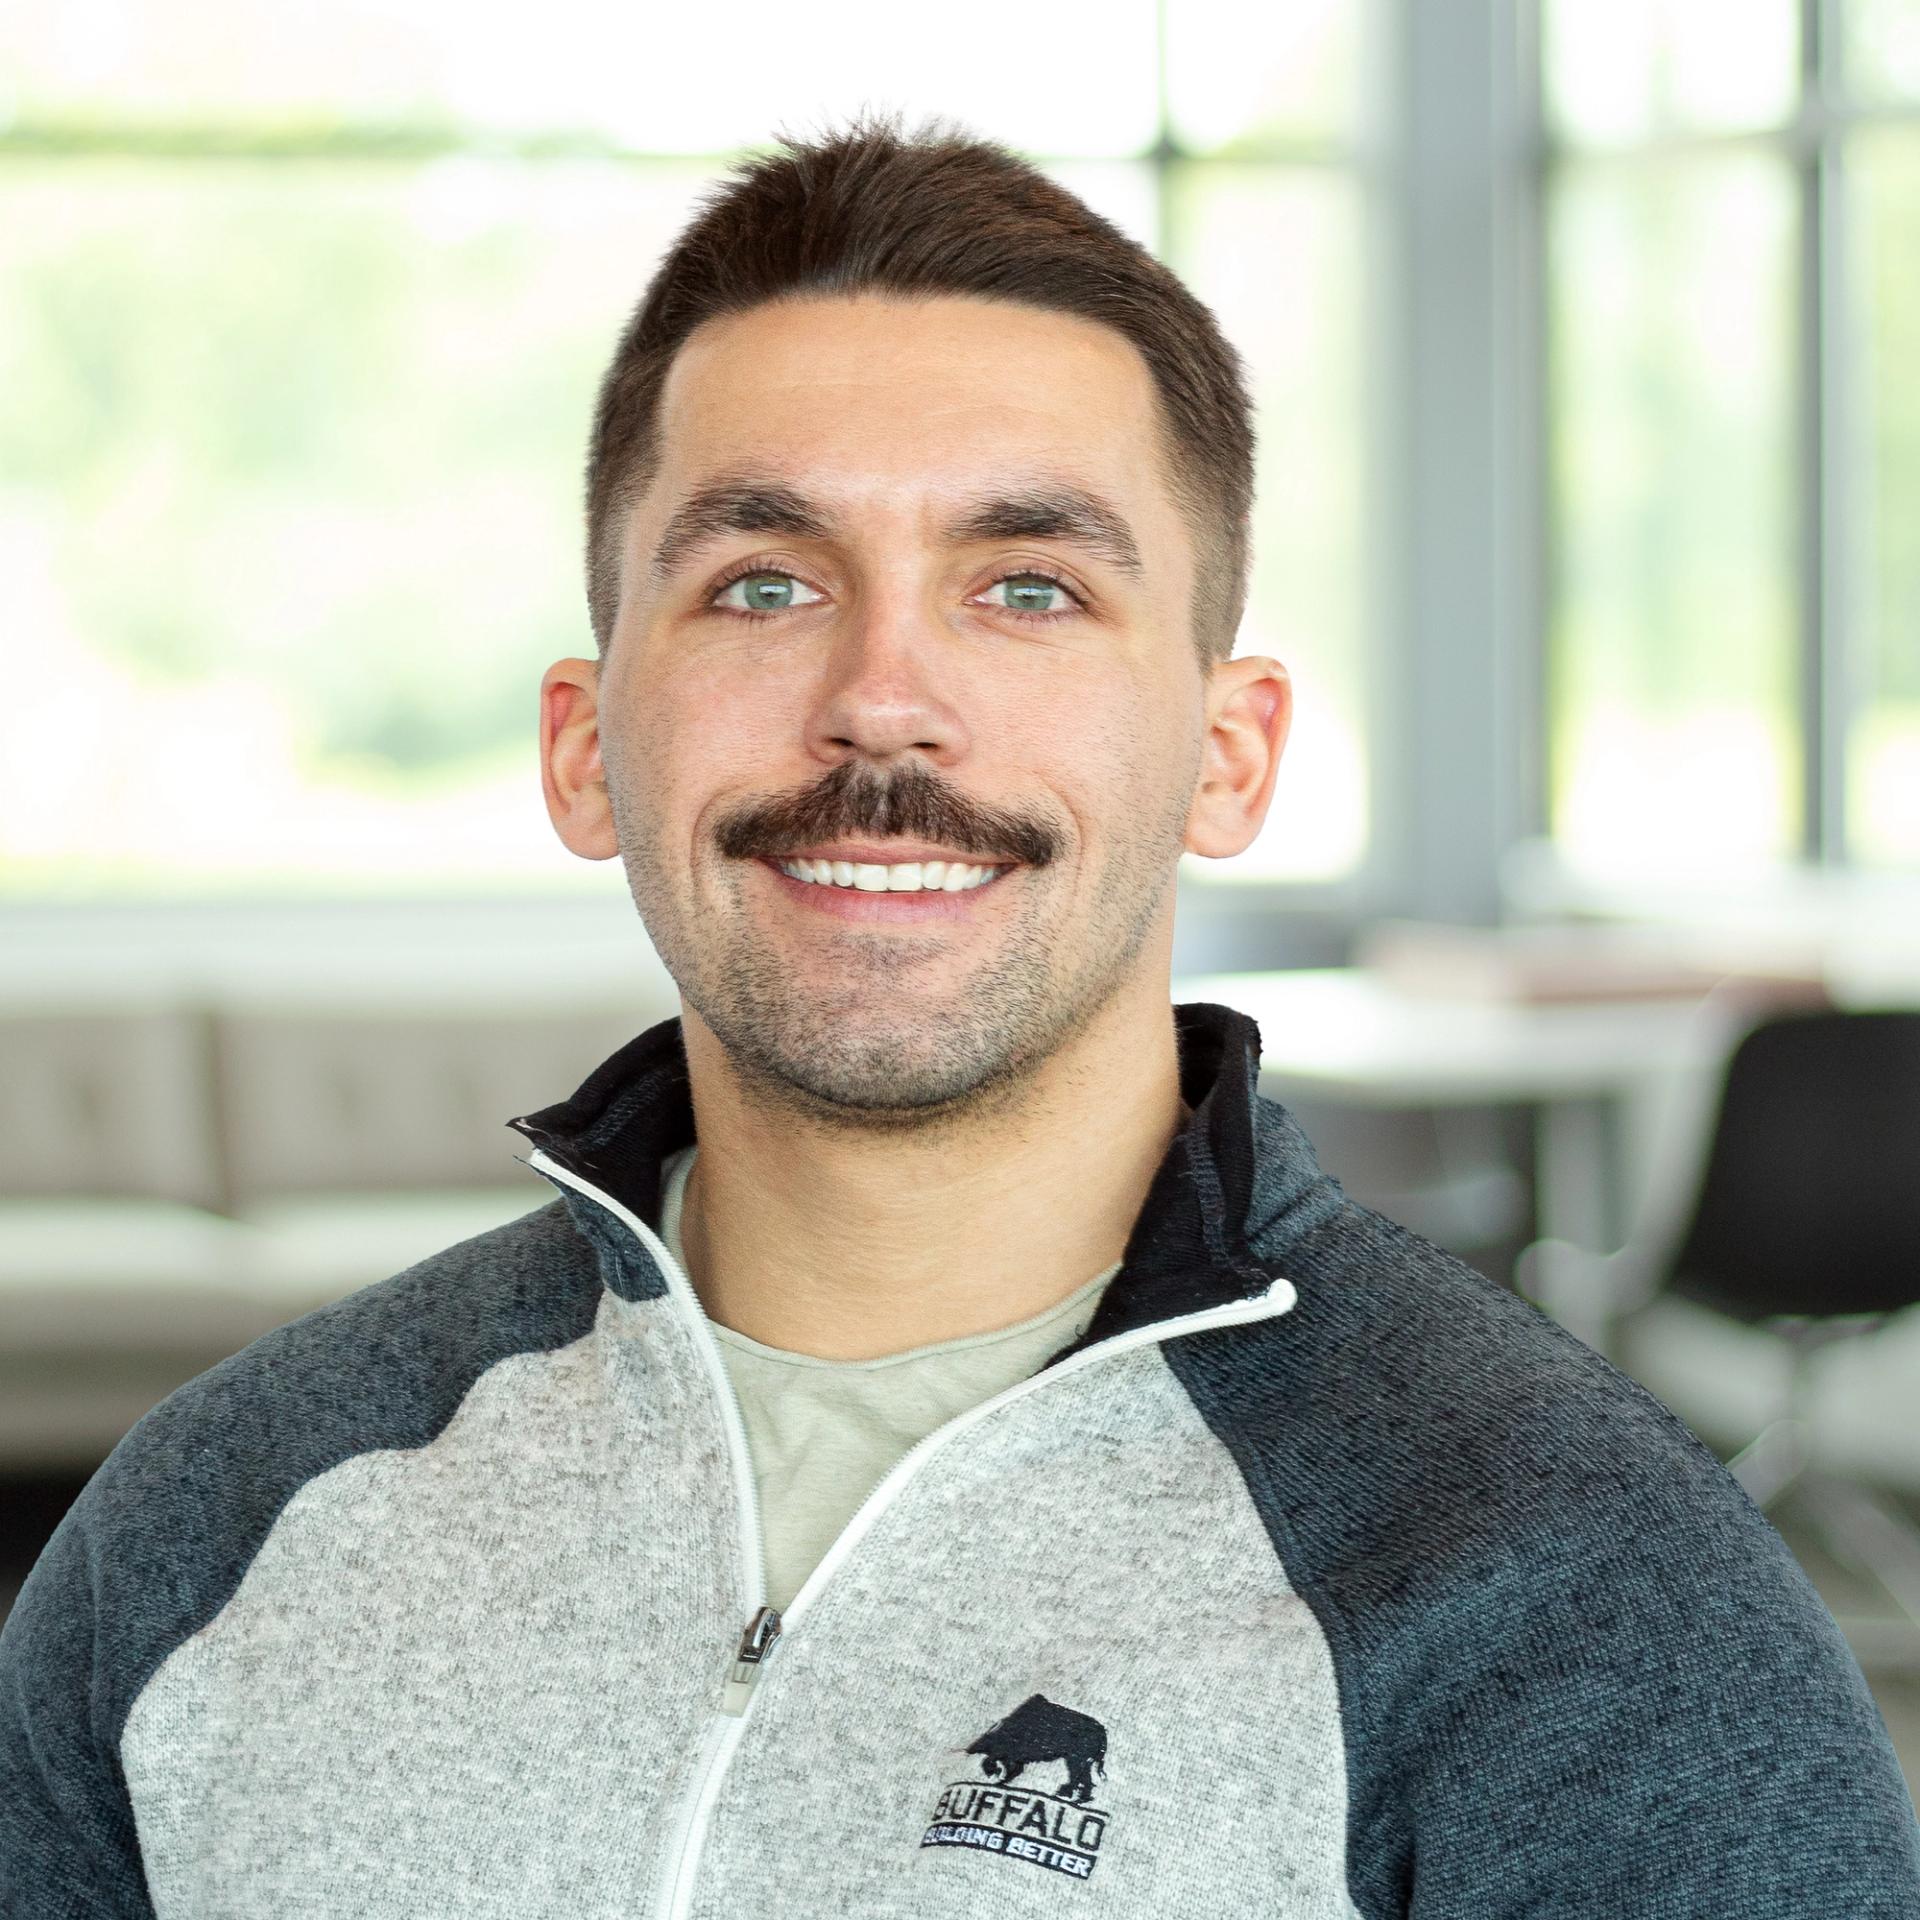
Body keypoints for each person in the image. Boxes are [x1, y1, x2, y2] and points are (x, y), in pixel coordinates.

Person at [2, 112, 1916, 1918]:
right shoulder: (213, 1529)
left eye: (1025, 586)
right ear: (587, 752)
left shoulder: (1571, 1590)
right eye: (762, 583)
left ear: (1228, 754)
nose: (885, 700)